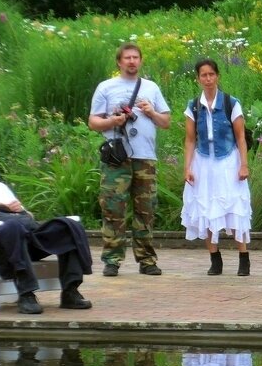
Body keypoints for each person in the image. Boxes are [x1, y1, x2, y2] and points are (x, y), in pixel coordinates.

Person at [0, 142, 93, 315]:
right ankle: (26, 294)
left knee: (68, 226)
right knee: (12, 225)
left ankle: (70, 292)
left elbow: (28, 218)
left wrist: (20, 210)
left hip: (23, 239)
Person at [88, 42, 171, 278]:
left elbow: (165, 122)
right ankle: (112, 260)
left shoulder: (151, 87)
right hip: (117, 156)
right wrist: (113, 122)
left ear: (141, 61)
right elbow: (93, 122)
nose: (132, 61)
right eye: (127, 58)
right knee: (113, 207)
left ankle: (147, 260)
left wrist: (151, 112)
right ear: (119, 62)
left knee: (146, 210)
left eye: (135, 57)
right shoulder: (106, 87)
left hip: (145, 157)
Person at [181, 58, 252, 277]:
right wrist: (187, 168)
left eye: (211, 74)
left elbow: (240, 137)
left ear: (217, 76)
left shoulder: (231, 103)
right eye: (204, 75)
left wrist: (243, 164)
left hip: (228, 162)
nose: (208, 79)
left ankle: (243, 259)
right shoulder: (194, 106)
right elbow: (190, 139)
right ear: (198, 78)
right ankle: (215, 259)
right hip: (203, 162)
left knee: (235, 208)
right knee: (206, 208)